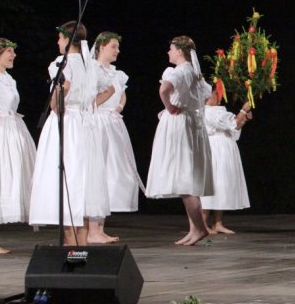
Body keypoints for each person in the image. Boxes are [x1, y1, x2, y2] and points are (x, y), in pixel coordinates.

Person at [29, 22, 110, 246]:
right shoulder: (91, 65)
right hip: (85, 126)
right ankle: (80, 249)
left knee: (67, 183)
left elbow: (58, 102)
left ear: (67, 39)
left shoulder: (60, 64)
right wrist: (88, 104)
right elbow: (108, 87)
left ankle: (71, 248)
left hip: (68, 125)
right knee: (79, 186)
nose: (57, 42)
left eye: (60, 38)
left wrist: (58, 97)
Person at [145, 36, 214, 246]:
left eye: (171, 49)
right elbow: (203, 98)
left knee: (184, 177)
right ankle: (194, 228)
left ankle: (199, 229)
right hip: (192, 123)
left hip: (180, 123)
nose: (169, 52)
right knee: (189, 176)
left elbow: (163, 89)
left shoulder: (180, 71)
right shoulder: (195, 73)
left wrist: (170, 106)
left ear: (180, 52)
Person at [0, 38, 36, 253]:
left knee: (5, 181)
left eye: (13, 52)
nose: (13, 55)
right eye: (9, 52)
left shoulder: (9, 78)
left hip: (12, 129)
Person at [89, 32, 144, 244]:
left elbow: (122, 93)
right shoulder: (92, 69)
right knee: (99, 172)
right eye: (114, 46)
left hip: (113, 122)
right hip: (98, 123)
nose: (117, 51)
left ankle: (99, 227)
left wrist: (119, 107)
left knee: (114, 173)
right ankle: (92, 228)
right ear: (102, 46)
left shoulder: (117, 73)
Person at [200, 91, 252, 235]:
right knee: (212, 183)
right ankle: (202, 224)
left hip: (225, 149)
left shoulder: (220, 111)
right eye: (215, 93)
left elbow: (234, 129)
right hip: (214, 149)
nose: (219, 96)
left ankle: (218, 223)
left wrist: (243, 120)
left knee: (222, 185)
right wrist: (243, 110)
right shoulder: (206, 111)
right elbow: (232, 123)